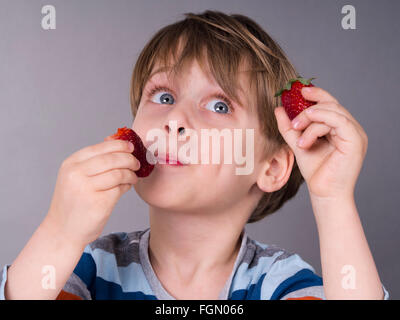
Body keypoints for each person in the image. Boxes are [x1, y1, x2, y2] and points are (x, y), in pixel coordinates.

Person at [0, 10, 388, 300]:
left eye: (219, 105)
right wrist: (61, 229)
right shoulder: (91, 269)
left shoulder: (278, 281)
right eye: (164, 97)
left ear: (270, 167)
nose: (175, 119)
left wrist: (332, 198)